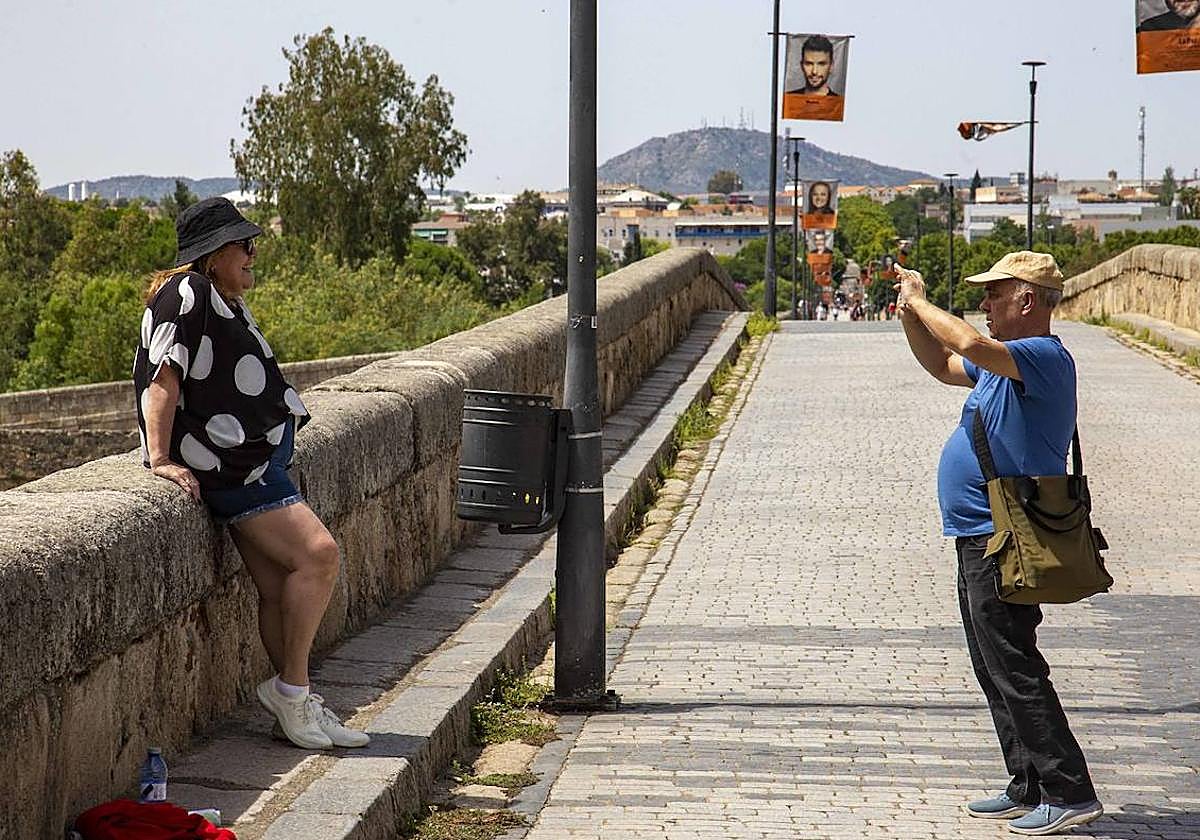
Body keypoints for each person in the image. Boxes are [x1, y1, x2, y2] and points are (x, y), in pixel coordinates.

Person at [133, 197, 369, 752]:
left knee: (275, 588)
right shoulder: (186, 295)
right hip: (238, 469)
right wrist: (161, 459)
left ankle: (295, 701)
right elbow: (163, 380)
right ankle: (292, 691)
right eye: (243, 244)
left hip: (249, 462)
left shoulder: (214, 294)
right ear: (214, 254)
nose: (252, 252)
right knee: (319, 555)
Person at [894, 251, 1103, 836]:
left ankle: (1069, 789)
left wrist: (921, 302)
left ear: (1027, 301)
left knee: (1013, 663)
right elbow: (941, 362)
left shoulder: (1041, 356)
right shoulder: (1005, 366)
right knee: (993, 664)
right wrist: (911, 310)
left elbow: (964, 339)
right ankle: (1027, 783)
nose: (985, 305)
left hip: (1002, 537)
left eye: (995, 294)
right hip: (976, 534)